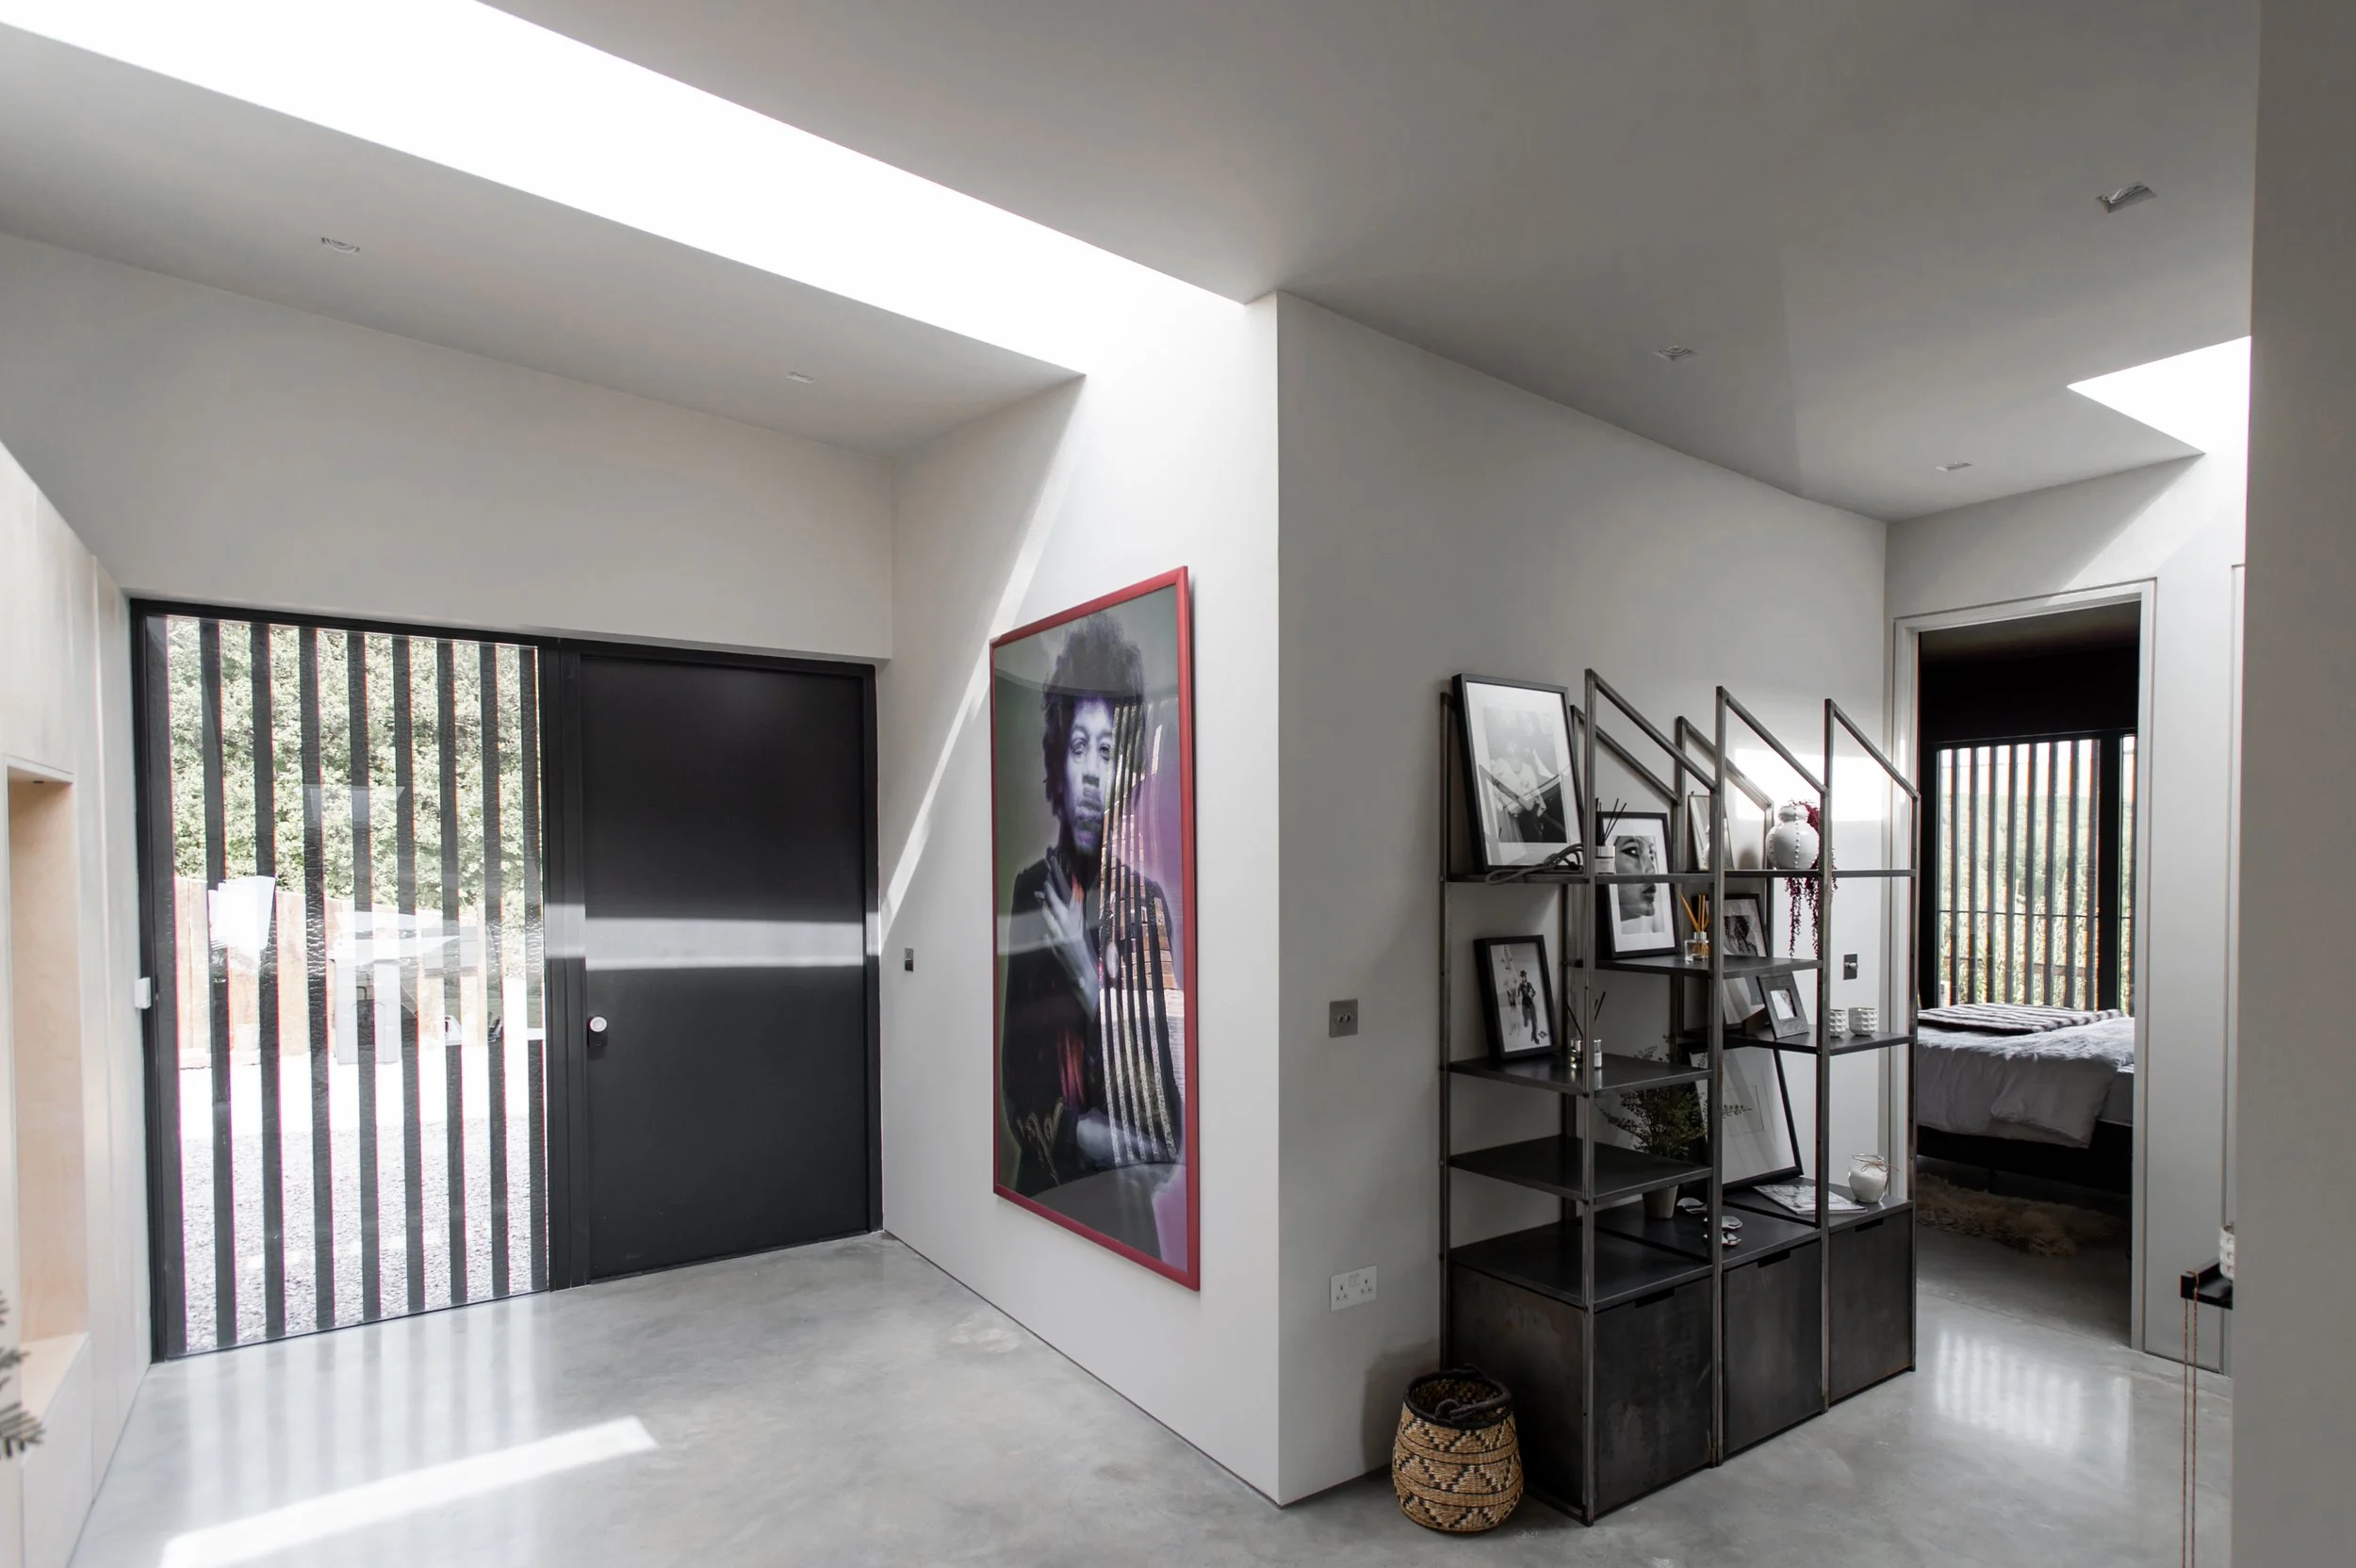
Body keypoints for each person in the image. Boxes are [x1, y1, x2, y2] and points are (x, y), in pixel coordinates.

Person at [1000, 614, 1185, 1202]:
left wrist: (1086, 973)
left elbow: (1165, 1128)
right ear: (1058, 754)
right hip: (1042, 1201)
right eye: (1079, 745)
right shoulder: (1031, 891)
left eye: (1107, 750)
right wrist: (1089, 1134)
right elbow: (1019, 1096)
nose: (1090, 775)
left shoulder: (1146, 906)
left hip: (1126, 1219)